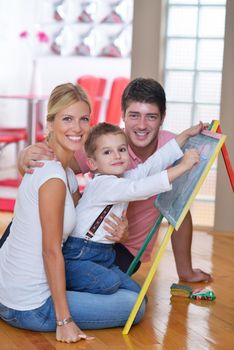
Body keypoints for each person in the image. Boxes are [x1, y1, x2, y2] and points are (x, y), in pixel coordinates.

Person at [17, 78, 212, 283]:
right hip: (83, 242)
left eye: (151, 117)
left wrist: (186, 271)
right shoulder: (104, 145)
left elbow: (178, 206)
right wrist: (25, 157)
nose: (142, 125)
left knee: (121, 293)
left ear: (162, 117)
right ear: (123, 116)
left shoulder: (170, 147)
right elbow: (57, 165)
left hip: (124, 249)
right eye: (134, 115)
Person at [0, 83, 146, 344]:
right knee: (136, 305)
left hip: (12, 292)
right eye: (67, 119)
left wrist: (121, 234)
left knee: (134, 293)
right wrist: (64, 321)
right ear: (51, 123)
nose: (77, 128)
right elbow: (51, 250)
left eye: (83, 119)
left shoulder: (65, 173)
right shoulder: (53, 177)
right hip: (30, 306)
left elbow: (81, 224)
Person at [63, 121, 202, 295]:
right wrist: (183, 167)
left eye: (121, 150)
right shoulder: (103, 184)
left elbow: (152, 165)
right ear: (92, 163)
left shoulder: (122, 178)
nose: (117, 156)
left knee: (136, 293)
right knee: (110, 283)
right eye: (107, 152)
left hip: (104, 255)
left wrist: (185, 135)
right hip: (81, 254)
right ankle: (65, 282)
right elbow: (140, 189)